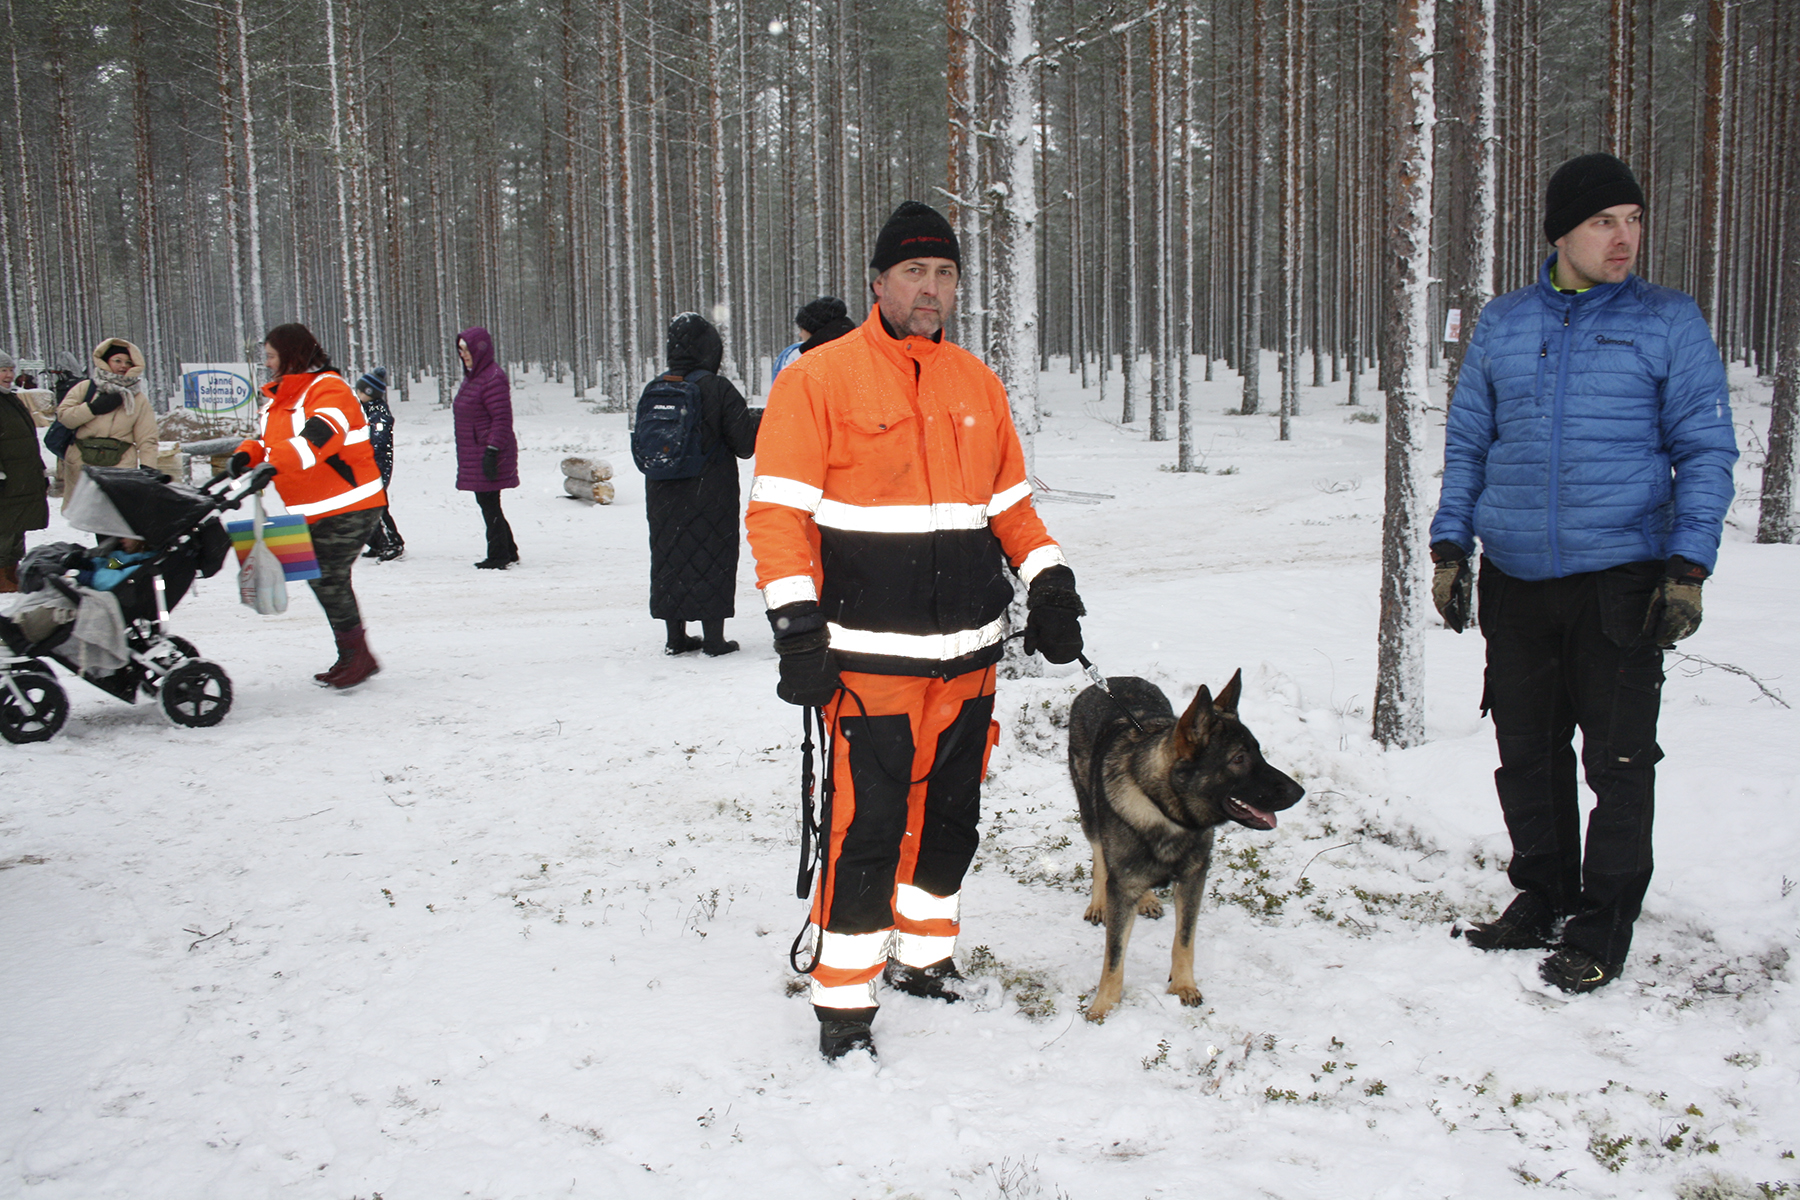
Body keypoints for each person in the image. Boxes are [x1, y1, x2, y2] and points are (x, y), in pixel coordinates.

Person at [748, 201, 1085, 1059]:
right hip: (870, 670)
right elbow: (778, 514)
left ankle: (925, 961)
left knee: (951, 825)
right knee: (864, 834)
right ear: (878, 282)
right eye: (913, 273)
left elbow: (1010, 504)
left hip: (969, 664)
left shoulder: (976, 382)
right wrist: (795, 627)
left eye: (944, 275)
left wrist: (1050, 581)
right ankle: (845, 1006)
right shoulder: (818, 380)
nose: (930, 290)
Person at [1430, 153, 1739, 995]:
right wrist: (1451, 547)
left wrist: (1688, 566)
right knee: (1526, 751)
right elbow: (1468, 443)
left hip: (1622, 577)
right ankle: (1543, 895)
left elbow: (1705, 450)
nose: (1625, 237)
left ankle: (1603, 923)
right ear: (1561, 230)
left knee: (1619, 762)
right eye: (1606, 220)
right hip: (1519, 578)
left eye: (1634, 219)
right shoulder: (1503, 321)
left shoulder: (1668, 322)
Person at [230, 323, 390, 689]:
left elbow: (319, 437)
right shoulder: (282, 398)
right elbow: (270, 440)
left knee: (327, 575)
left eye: (271, 356)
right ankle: (353, 655)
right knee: (321, 576)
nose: (268, 363)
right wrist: (248, 454)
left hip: (353, 503)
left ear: (292, 355)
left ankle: (357, 657)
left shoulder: (329, 389)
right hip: (315, 507)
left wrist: (271, 461)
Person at [643, 312, 761, 656]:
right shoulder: (717, 387)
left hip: (663, 490)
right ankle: (714, 639)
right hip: (711, 491)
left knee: (668, 556)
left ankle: (675, 637)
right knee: (712, 556)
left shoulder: (657, 386)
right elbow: (744, 445)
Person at [53, 339, 159, 509]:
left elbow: (147, 436)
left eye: (128, 362)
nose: (123, 366)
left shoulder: (137, 398)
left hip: (120, 466)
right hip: (83, 464)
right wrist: (92, 408)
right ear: (105, 361)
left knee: (117, 518)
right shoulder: (85, 388)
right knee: (90, 515)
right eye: (117, 360)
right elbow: (64, 417)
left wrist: (148, 466)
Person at [452, 327, 520, 570]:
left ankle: (499, 554)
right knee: (489, 502)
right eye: (460, 350)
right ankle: (508, 550)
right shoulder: (475, 376)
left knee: (489, 502)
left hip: (489, 452)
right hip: (477, 451)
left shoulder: (493, 377)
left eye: (468, 349)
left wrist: (492, 451)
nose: (464, 354)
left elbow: (502, 419)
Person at [0, 352, 50, 592]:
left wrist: (39, 470)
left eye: (10, 369)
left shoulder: (10, 399)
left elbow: (27, 439)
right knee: (4, 526)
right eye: (2, 370)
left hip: (20, 473)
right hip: (6, 476)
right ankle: (1, 575)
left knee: (17, 524)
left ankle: (11, 571)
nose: (9, 375)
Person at [355, 367, 405, 562]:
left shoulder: (379, 413)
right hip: (366, 466)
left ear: (370, 393)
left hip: (377, 466)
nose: (357, 395)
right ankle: (377, 543)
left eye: (360, 391)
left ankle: (393, 542)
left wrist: (368, 455)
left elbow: (378, 440)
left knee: (377, 506)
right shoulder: (365, 410)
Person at [771, 297, 858, 384]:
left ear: (813, 331)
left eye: (801, 329)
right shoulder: (855, 356)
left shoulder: (814, 370)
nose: (800, 334)